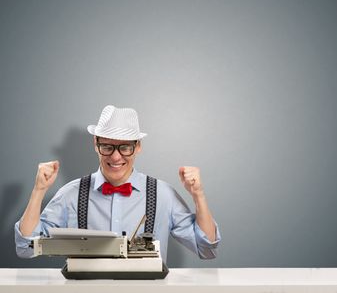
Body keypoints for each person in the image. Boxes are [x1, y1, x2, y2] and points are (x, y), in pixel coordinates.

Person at [15, 105, 221, 262]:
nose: (115, 157)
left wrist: (198, 196)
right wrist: (38, 191)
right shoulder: (71, 194)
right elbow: (26, 247)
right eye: (107, 146)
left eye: (124, 147)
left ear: (138, 147)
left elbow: (205, 247)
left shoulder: (163, 194)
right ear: (95, 144)